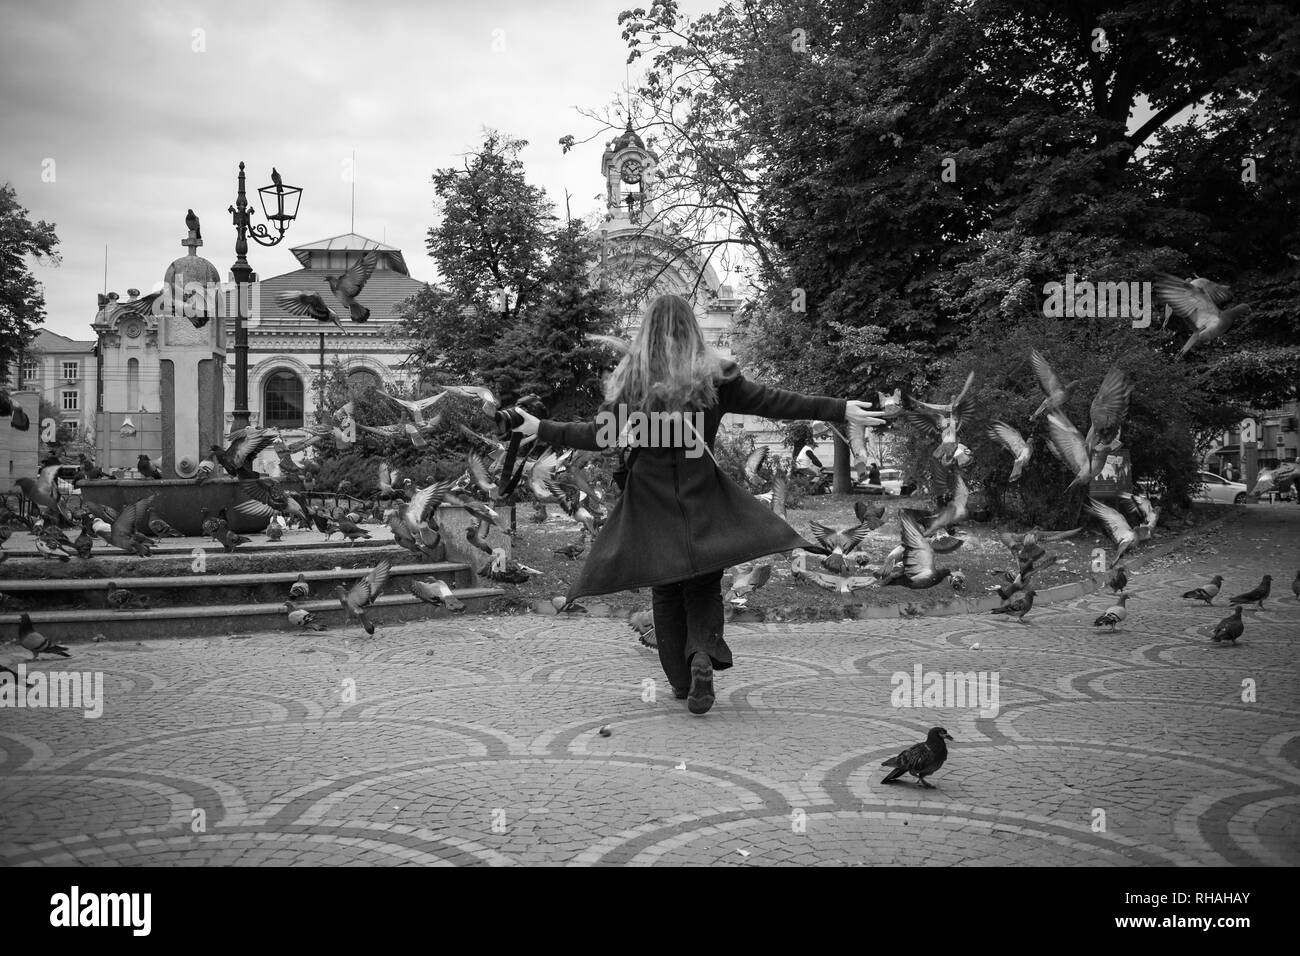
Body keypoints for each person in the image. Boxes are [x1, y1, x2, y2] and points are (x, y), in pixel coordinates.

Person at [513, 294, 879, 716]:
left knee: (666, 589)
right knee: (704, 584)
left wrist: (541, 426)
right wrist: (838, 409)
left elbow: (597, 436)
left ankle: (683, 681)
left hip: (651, 502)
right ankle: (702, 653)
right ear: (692, 329)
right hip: (702, 494)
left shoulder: (632, 384)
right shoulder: (714, 378)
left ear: (646, 331)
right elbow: (774, 402)